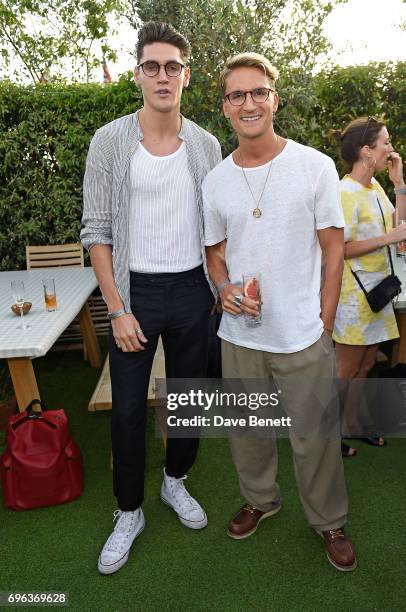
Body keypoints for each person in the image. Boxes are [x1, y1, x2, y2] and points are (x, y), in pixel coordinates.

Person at [203, 52, 357, 572]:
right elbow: (214, 251)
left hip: (302, 332)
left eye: (257, 92)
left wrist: (326, 320)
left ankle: (329, 520)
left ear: (273, 97)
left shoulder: (314, 166)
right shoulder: (215, 180)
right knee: (248, 432)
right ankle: (260, 500)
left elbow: (334, 248)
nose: (248, 103)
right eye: (236, 95)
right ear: (224, 107)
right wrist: (222, 286)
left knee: (315, 436)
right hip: (240, 334)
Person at [81, 21, 222, 575]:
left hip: (193, 290)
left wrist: (223, 284)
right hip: (134, 293)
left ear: (186, 76)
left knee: (191, 400)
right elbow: (96, 230)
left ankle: (175, 482)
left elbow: (217, 228)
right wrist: (116, 308)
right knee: (127, 414)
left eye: (172, 67)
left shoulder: (207, 145)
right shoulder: (109, 141)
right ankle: (129, 510)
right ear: (138, 73)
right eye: (151, 66)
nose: (162, 76)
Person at [331, 117, 406, 456]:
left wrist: (399, 185)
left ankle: (351, 424)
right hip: (352, 295)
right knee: (344, 370)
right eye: (385, 143)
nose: (391, 148)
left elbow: (398, 226)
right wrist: (387, 239)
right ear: (366, 151)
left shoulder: (374, 187)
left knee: (364, 366)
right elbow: (339, 249)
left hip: (377, 292)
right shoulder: (344, 192)